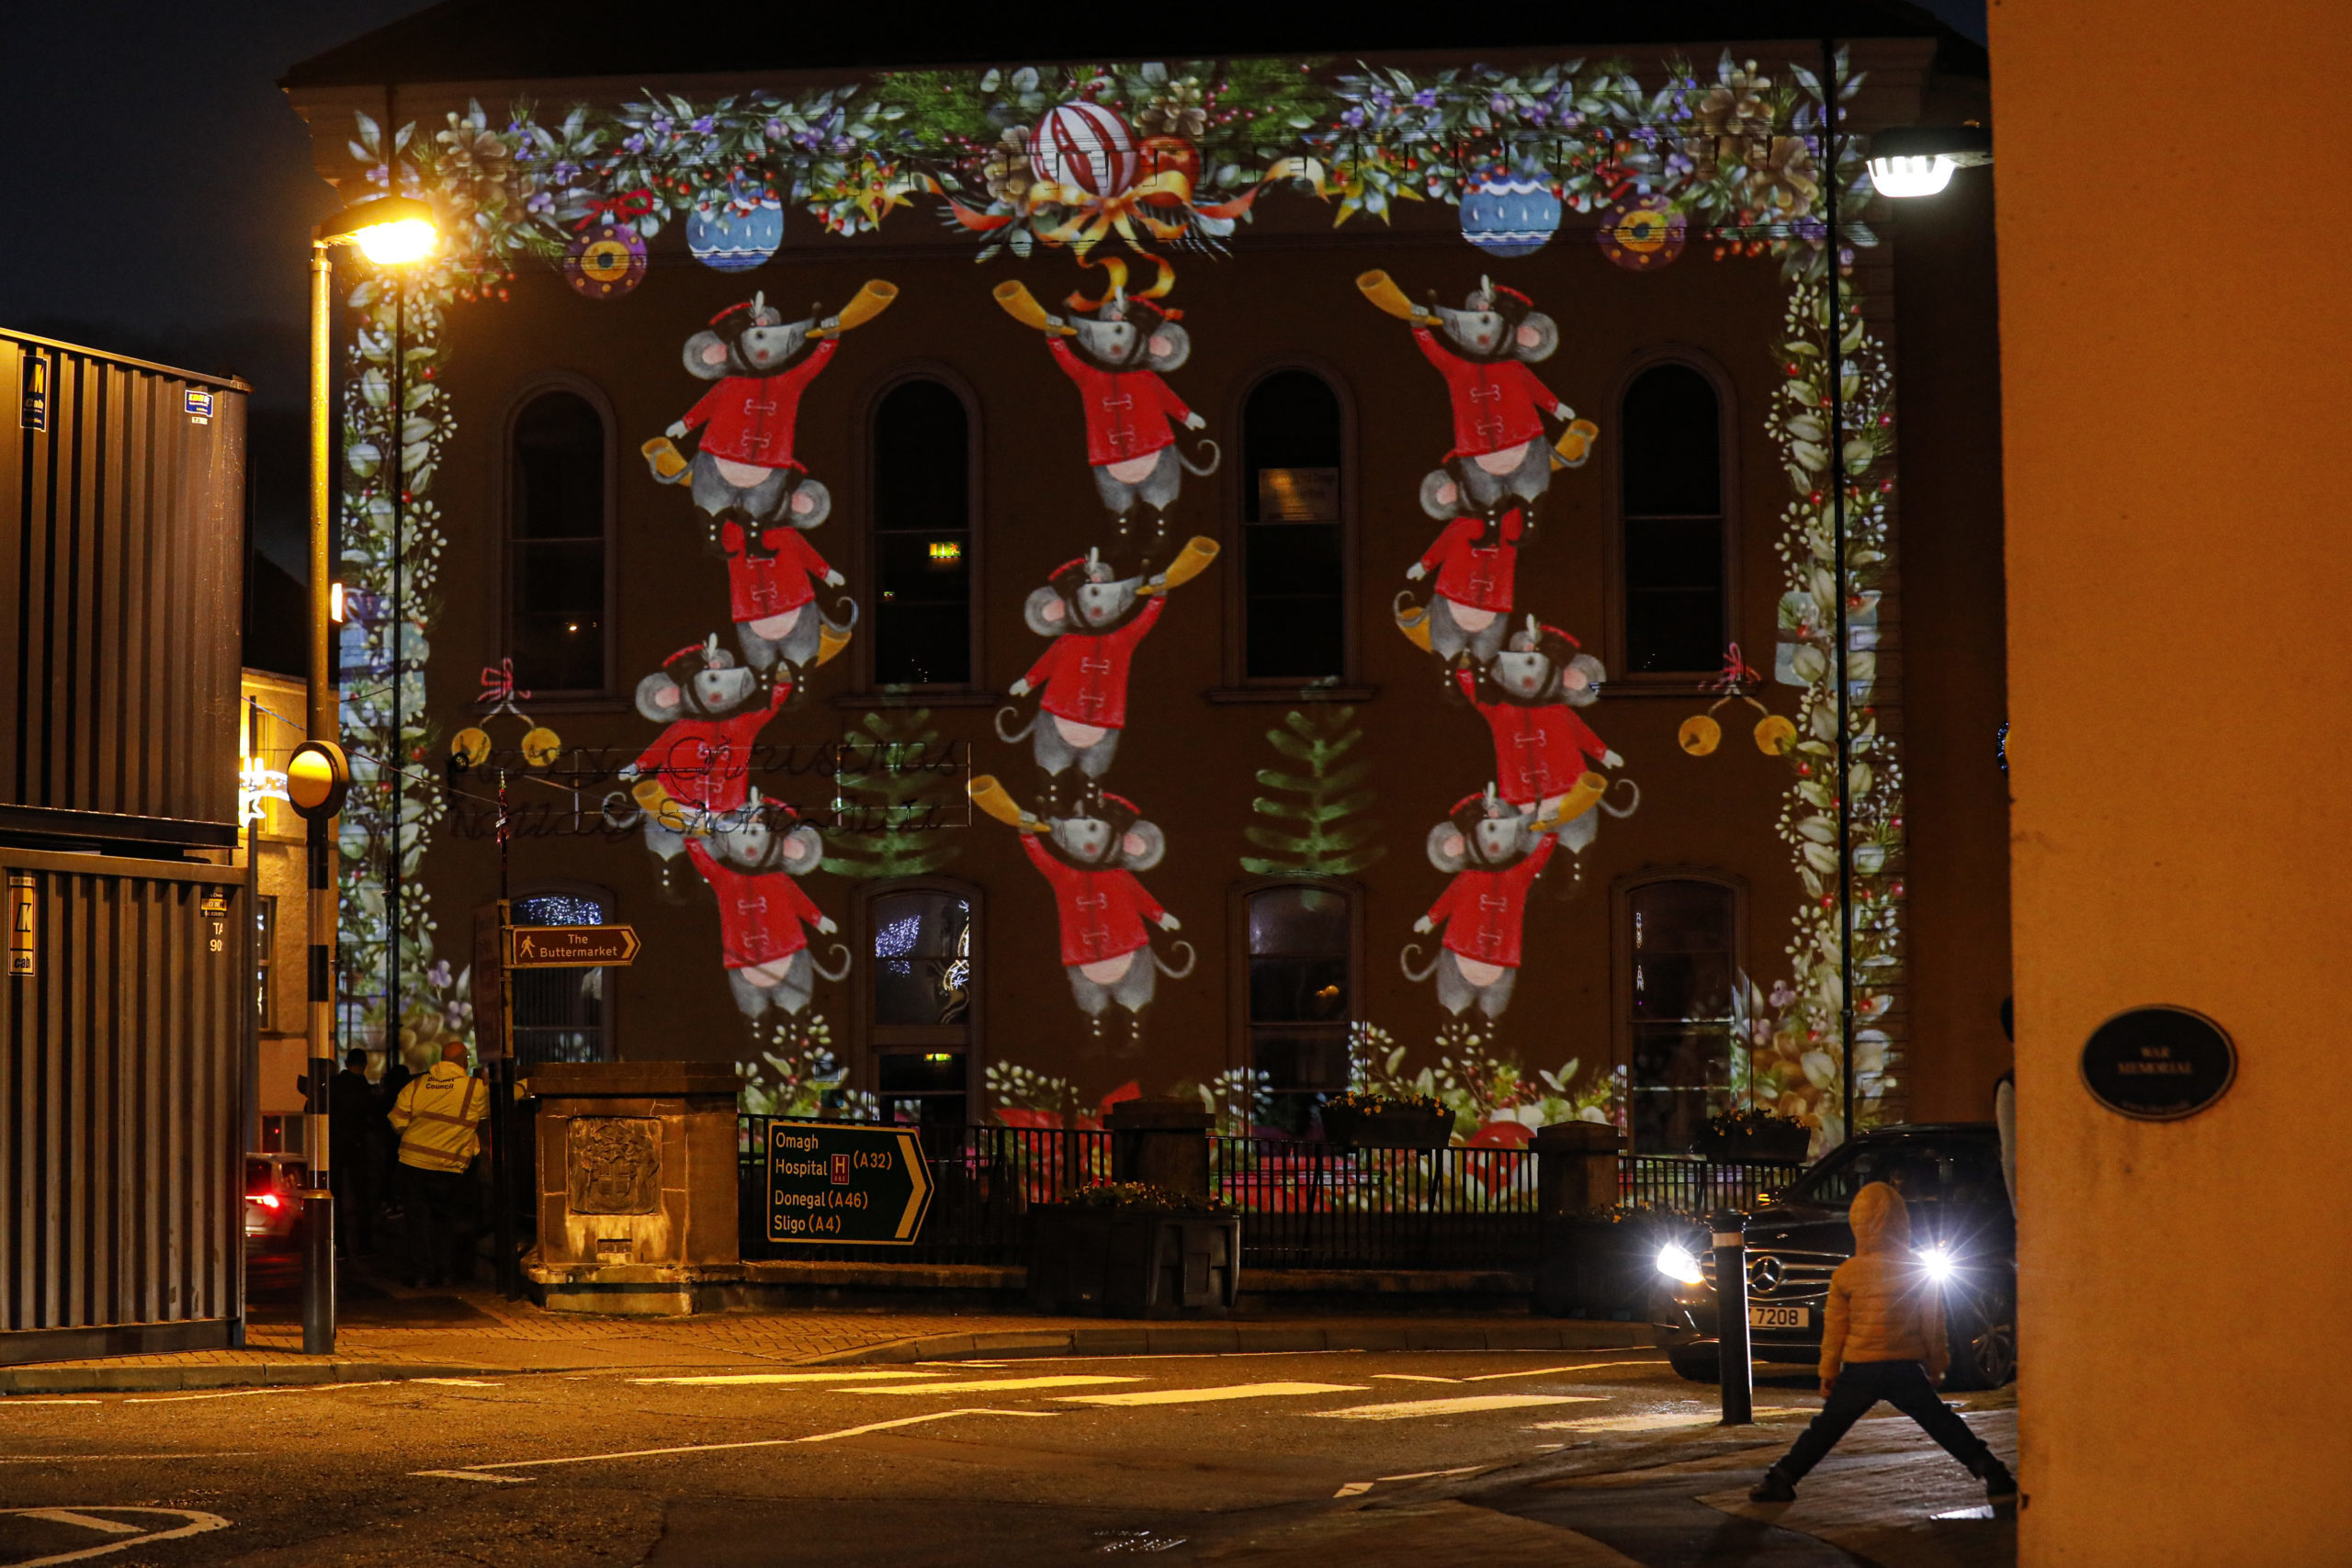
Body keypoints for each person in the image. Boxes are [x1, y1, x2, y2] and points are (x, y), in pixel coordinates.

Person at [1748, 1181, 2017, 1506]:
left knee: (1827, 1427)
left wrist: (1829, 1370)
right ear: (1902, 1223)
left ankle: (1782, 1477)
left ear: (1856, 1224)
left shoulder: (1846, 1274)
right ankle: (1991, 1471)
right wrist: (1937, 1363)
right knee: (1940, 1421)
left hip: (1861, 1367)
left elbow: (1835, 1330)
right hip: (1903, 1365)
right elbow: (1932, 1322)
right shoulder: (1915, 1268)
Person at [387, 1041, 489, 1289]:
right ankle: (446, 1273)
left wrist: (419, 1135)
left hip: (412, 1164)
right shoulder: (474, 1089)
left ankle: (421, 1274)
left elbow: (397, 1120)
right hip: (448, 1167)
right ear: (465, 1061)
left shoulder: (417, 1084)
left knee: (417, 1222)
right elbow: (500, 1101)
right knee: (446, 1220)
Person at [326, 1048, 378, 1258]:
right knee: (362, 1196)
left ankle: (340, 1245)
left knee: (335, 1197)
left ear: (346, 1063)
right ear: (365, 1064)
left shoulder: (334, 1085)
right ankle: (364, 1245)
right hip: (358, 1147)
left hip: (335, 1146)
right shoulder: (366, 1090)